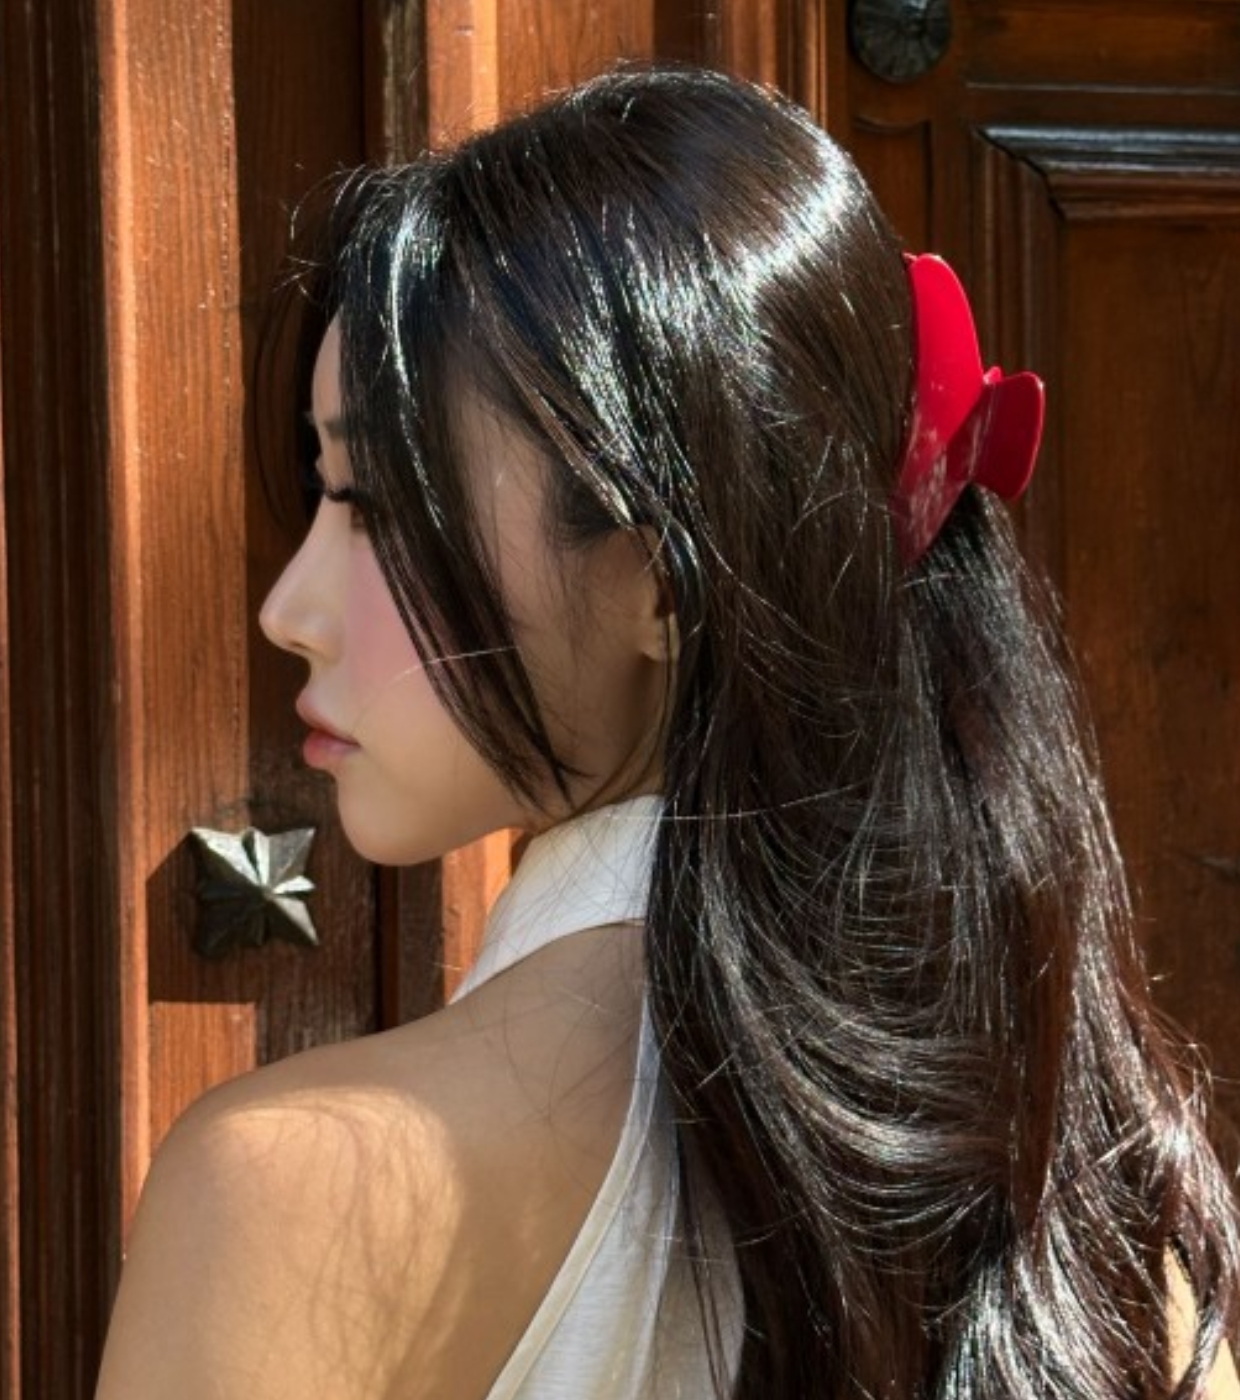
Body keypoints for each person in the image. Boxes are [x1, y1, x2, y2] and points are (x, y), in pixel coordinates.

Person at [96, 64, 1240, 1399]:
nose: (288, 610)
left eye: (376, 506)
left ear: (659, 581)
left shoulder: (287, 1192)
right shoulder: (1101, 1218)